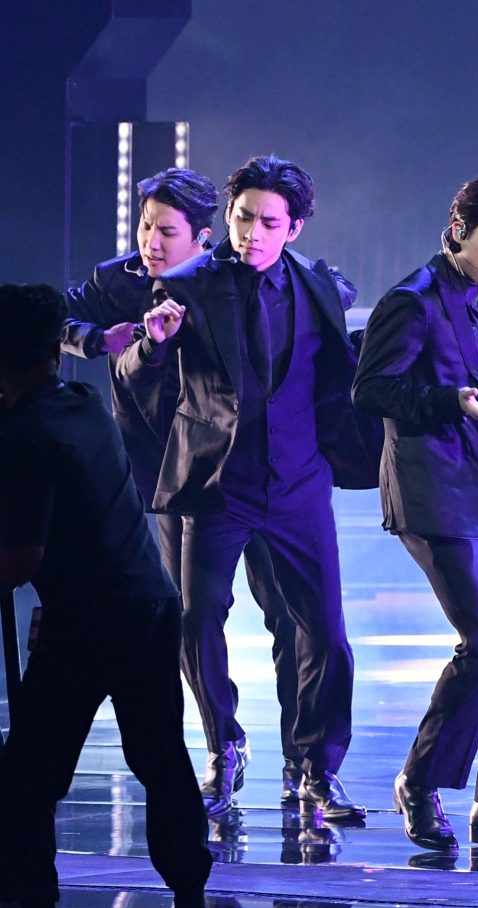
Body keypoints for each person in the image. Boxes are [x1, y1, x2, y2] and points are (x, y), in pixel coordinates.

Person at [118, 155, 378, 821]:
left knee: (325, 632)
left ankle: (318, 768)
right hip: (217, 484)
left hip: (298, 484)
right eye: (242, 218)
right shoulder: (185, 285)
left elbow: (343, 372)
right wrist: (151, 346)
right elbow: (136, 378)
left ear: (294, 228)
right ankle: (223, 744)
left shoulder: (319, 287)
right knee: (198, 618)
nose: (252, 233)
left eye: (267, 222)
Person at [63, 167, 305, 811]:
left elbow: (322, 293)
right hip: (172, 472)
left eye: (166, 232)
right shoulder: (118, 281)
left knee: (288, 614)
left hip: (252, 468)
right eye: (145, 226)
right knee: (193, 614)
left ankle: (302, 759)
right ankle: (224, 743)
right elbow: (55, 316)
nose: (150, 242)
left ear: (202, 236)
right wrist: (97, 338)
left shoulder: (230, 277)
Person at [0, 283, 221, 908]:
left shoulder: (25, 436)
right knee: (161, 758)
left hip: (88, 620)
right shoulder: (84, 404)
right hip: (147, 604)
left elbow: (20, 558)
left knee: (28, 776)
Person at [353, 175, 478, 853]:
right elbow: (372, 389)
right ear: (459, 230)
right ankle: (419, 780)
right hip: (432, 495)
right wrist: (448, 399)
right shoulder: (411, 300)